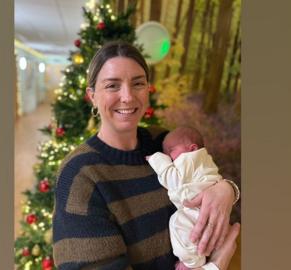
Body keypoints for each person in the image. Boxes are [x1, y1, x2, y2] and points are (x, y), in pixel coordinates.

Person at [52, 41, 240, 270]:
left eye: (138, 83)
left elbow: (204, 179)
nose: (128, 97)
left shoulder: (162, 142)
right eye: (112, 85)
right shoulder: (80, 174)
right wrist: (215, 266)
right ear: (92, 96)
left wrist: (227, 189)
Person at [146, 126, 239, 270]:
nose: (169, 157)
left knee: (177, 222)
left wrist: (157, 160)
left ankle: (192, 262)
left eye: (170, 151)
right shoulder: (202, 160)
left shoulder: (189, 159)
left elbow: (174, 180)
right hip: (209, 213)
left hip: (199, 209)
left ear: (192, 148)